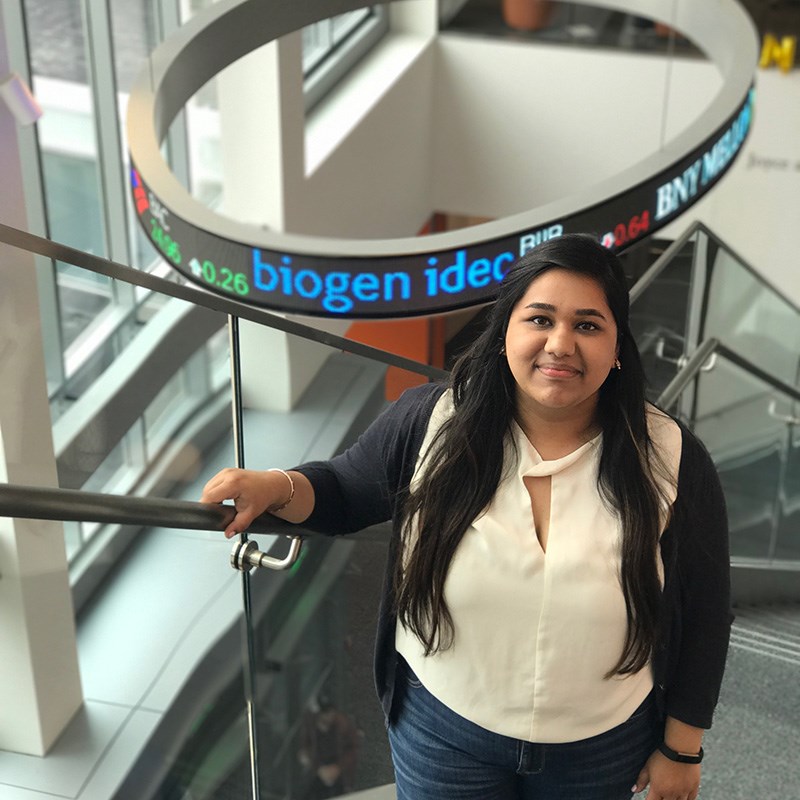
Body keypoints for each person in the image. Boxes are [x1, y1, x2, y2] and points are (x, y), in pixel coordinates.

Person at [201, 234, 731, 800]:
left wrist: (682, 746)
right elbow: (342, 491)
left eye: (588, 325)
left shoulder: (669, 454)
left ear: (617, 346)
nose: (560, 344)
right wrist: (276, 486)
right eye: (540, 319)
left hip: (602, 741)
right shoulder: (434, 420)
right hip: (445, 729)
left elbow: (704, 608)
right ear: (505, 332)